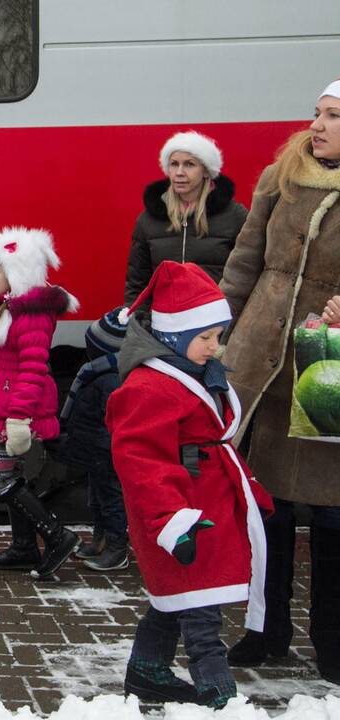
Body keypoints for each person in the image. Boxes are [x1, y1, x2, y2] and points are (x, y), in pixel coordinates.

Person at [107, 261, 272, 708]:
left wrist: (248, 492)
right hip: (183, 513)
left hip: (207, 503)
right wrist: (170, 520)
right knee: (201, 609)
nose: (215, 348)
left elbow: (216, 444)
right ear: (176, 337)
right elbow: (140, 462)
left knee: (178, 597)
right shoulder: (148, 389)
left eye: (218, 336)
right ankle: (220, 696)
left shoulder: (192, 373)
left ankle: (147, 671)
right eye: (206, 338)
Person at [219, 78, 340, 684]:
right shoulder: (281, 176)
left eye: (333, 117)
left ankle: (332, 638)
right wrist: (218, 333)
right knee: (266, 510)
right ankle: (265, 632)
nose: (317, 126)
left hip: (326, 374)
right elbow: (243, 261)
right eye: (316, 113)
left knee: (332, 515)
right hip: (262, 362)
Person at [0, 227, 80, 579]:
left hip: (16, 409)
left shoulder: (30, 315)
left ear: (18, 273)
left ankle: (57, 536)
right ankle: (24, 548)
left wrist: (18, 418)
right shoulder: (3, 310)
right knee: (11, 476)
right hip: (2, 405)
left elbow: (33, 370)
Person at [124, 131, 247, 305]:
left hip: (216, 323)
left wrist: (230, 319)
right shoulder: (148, 219)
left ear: (206, 171)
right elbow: (137, 284)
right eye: (174, 164)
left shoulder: (234, 216)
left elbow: (247, 276)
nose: (179, 172)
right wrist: (139, 322)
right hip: (163, 321)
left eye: (189, 164)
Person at [52, 307, 129, 571]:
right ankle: (100, 540)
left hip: (106, 451)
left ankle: (117, 548)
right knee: (97, 498)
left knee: (110, 498)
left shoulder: (110, 380)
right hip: (97, 449)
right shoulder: (99, 373)